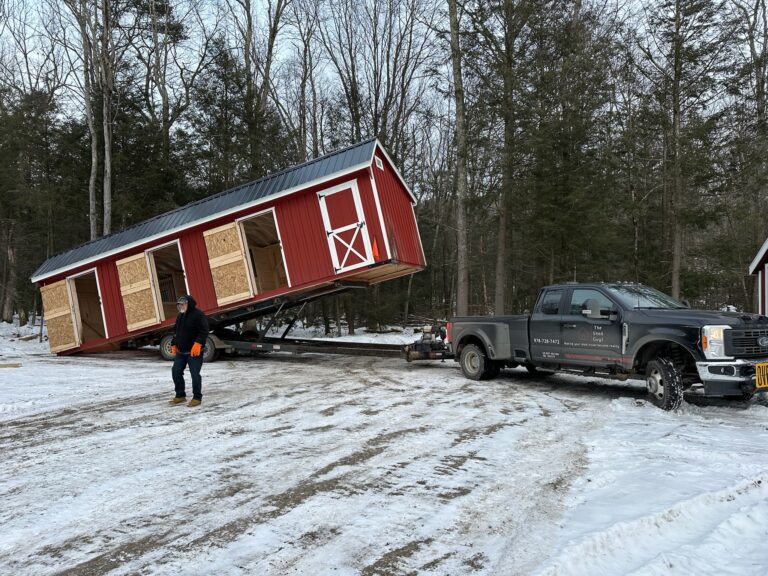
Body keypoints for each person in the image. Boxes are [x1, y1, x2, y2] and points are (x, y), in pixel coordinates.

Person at [169, 295, 209, 407]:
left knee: (195, 374)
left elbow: (204, 330)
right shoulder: (180, 316)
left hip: (194, 352)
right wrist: (173, 343)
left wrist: (198, 343)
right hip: (181, 352)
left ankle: (197, 397)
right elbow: (176, 331)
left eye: (183, 304)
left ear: (189, 304)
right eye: (179, 305)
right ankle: (180, 395)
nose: (181, 306)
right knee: (175, 372)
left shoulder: (198, 315)